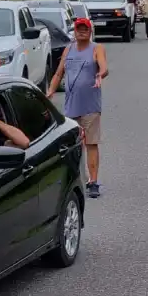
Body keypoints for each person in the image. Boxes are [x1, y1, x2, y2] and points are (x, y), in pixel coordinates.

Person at [47, 17, 108, 198]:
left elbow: (104, 67)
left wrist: (100, 75)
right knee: (71, 146)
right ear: (74, 31)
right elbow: (59, 73)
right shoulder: (68, 49)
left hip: (90, 106)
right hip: (70, 107)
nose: (82, 31)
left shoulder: (96, 48)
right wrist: (50, 91)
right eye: (79, 28)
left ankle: (93, 182)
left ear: (90, 32)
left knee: (91, 143)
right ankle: (71, 180)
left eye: (85, 29)